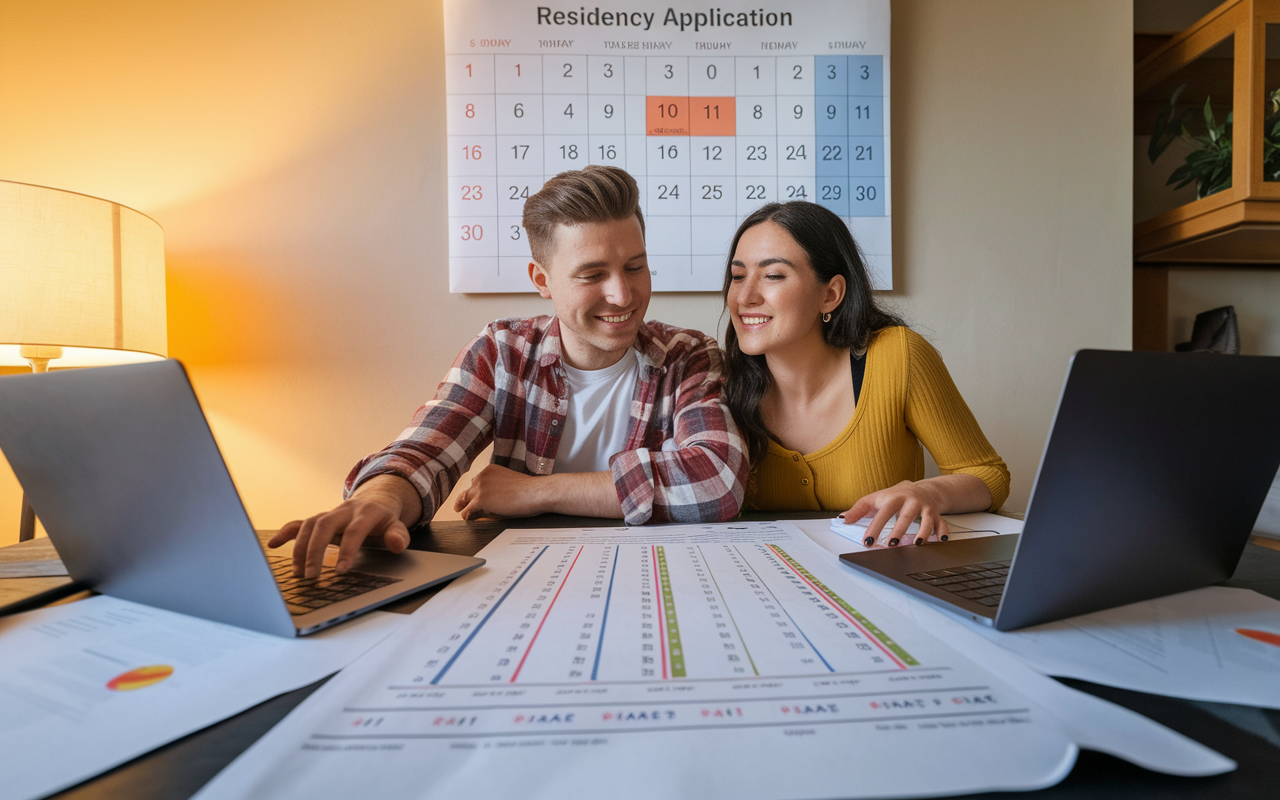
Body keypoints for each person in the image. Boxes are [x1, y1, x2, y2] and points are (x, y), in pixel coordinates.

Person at [273, 166, 747, 577]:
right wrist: (378, 502)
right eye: (592, 275)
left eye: (635, 266)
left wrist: (535, 493)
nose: (623, 295)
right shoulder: (502, 351)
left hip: (653, 580)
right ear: (542, 280)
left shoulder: (688, 354)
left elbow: (718, 481)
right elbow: (425, 451)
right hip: (521, 584)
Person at [722, 201, 1009, 547]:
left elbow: (989, 475)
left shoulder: (898, 356)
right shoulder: (716, 381)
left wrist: (928, 491)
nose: (745, 296)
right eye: (738, 277)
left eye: (773, 275)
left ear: (830, 294)